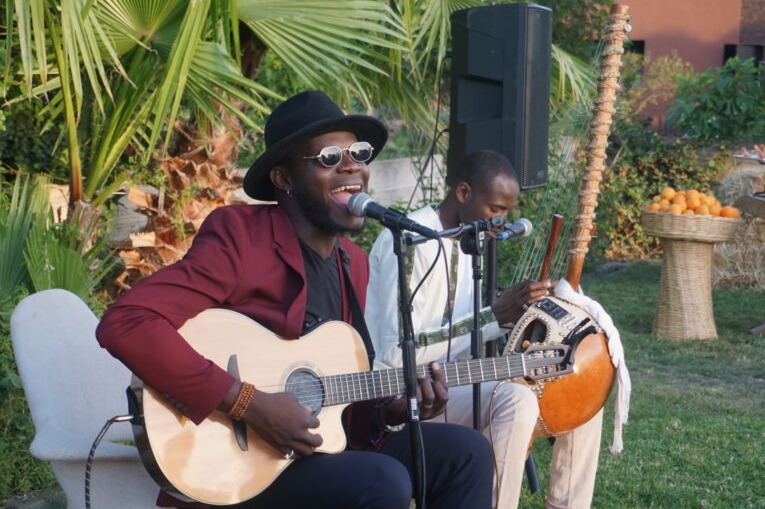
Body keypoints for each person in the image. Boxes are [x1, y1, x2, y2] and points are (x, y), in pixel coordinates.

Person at [96, 91, 494, 509]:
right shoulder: (241, 237)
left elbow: (340, 410)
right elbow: (126, 321)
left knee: (466, 453)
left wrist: (389, 412)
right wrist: (248, 403)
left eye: (358, 153)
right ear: (283, 179)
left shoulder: (352, 262)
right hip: (242, 462)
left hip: (313, 453)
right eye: (328, 157)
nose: (352, 166)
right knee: (382, 479)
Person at [365, 150, 604, 509]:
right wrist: (492, 316)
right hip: (403, 396)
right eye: (495, 209)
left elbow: (468, 327)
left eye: (506, 212)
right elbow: (396, 354)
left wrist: (523, 312)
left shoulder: (468, 240)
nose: (500, 222)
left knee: (579, 376)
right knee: (516, 400)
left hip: (454, 382)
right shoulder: (408, 242)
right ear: (463, 192)